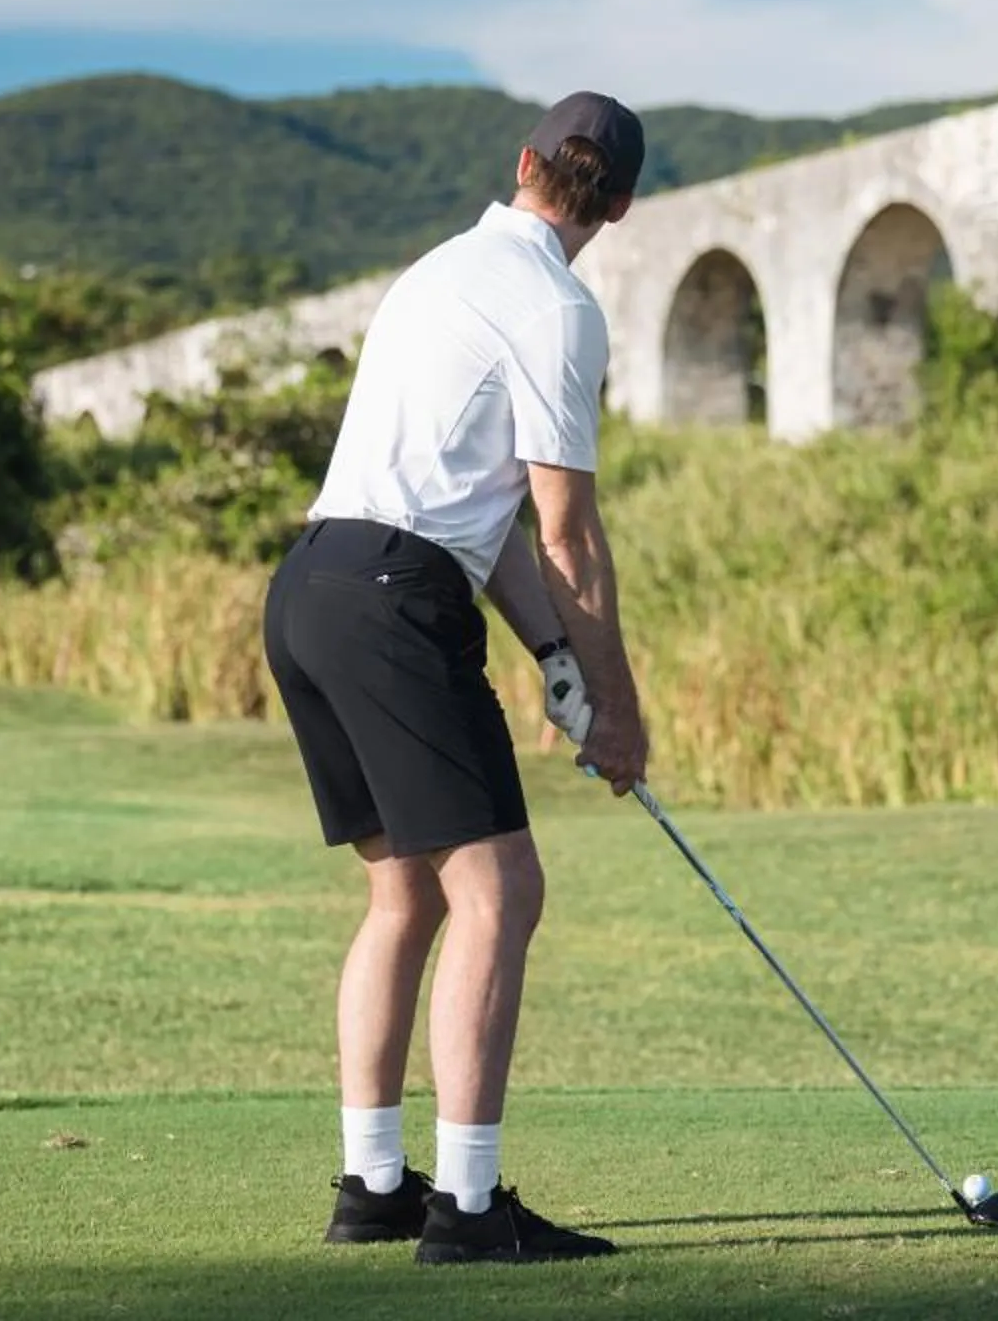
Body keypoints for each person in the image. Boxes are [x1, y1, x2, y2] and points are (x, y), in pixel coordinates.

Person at [262, 92, 655, 1268]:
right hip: (394, 601)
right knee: (501, 890)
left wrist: (551, 657)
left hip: (312, 582)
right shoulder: (561, 308)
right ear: (622, 205)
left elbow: (466, 523)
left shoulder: (434, 271)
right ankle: (470, 1208)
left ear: (523, 162)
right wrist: (619, 708)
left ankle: (375, 1182)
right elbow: (564, 533)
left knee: (407, 896)